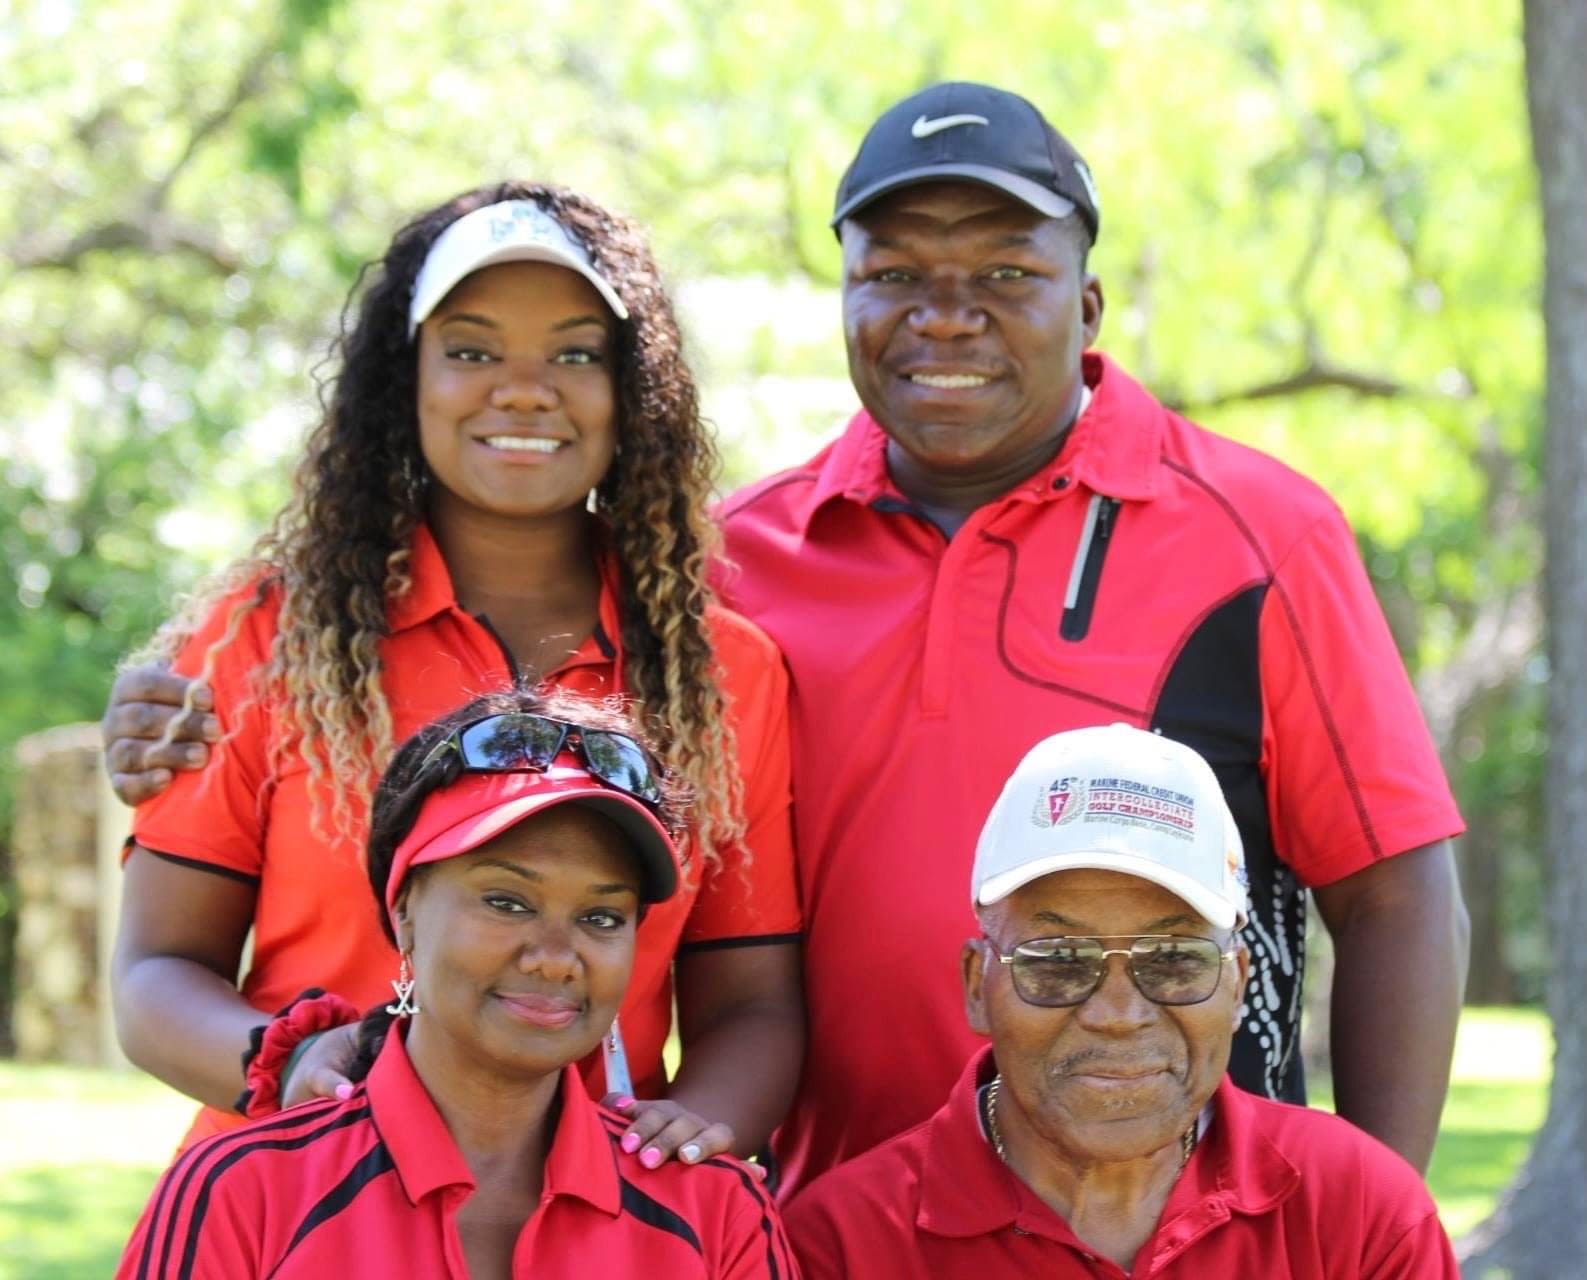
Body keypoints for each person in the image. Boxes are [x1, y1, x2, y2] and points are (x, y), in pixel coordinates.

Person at [105, 85, 1468, 1195]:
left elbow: (1396, 893)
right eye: (896, 272)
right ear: (846, 297)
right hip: (842, 1218)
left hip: (1162, 1210)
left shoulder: (1252, 531)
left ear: (1086, 301)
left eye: (1003, 269)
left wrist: (1369, 1218)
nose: (947, 313)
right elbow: (165, 948)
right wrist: (158, 709)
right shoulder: (732, 566)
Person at [106, 182, 804, 1163]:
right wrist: (292, 1063)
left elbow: (753, 1001)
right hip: (294, 1199)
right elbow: (155, 974)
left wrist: (687, 1135)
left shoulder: (727, 673)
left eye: (575, 353)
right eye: (472, 350)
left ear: (630, 390)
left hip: (585, 1221)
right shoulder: (272, 635)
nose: (524, 388)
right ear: (408, 382)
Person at [117, 688, 800, 1279]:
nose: (555, 958)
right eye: (506, 901)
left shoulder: (714, 1209)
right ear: (404, 910)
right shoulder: (244, 1190)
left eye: (599, 916)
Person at [785, 725, 1459, 1278]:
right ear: (976, 986)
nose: (1116, 1013)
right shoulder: (840, 1245)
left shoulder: (1362, 1213)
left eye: (1172, 961)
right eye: (1057, 962)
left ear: (1236, 982)